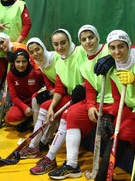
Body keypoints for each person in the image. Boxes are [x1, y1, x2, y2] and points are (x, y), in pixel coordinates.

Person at [41, 25, 111, 177]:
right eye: (84, 39)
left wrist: (111, 57)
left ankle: (55, 158)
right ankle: (70, 164)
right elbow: (91, 87)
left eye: (91, 38)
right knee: (69, 114)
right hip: (97, 100)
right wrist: (91, 105)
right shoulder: (85, 65)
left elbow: (132, 49)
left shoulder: (107, 49)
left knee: (69, 114)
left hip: (116, 102)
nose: (88, 42)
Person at [94, 30, 135, 181]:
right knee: (118, 134)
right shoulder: (113, 69)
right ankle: (101, 178)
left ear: (128, 45)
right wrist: (109, 115)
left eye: (121, 46)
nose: (117, 51)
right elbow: (117, 99)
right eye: (112, 48)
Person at [19, 29, 87, 164]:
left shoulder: (80, 52)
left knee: (65, 115)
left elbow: (90, 75)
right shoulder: (60, 61)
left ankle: (49, 153)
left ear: (69, 40)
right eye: (56, 44)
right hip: (69, 95)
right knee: (44, 106)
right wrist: (51, 106)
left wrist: (83, 85)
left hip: (84, 96)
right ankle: (35, 146)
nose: (60, 47)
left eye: (63, 43)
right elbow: (59, 87)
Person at [5, 49, 45, 131]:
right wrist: (24, 108)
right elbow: (14, 97)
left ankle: (32, 119)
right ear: (14, 62)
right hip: (22, 103)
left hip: (37, 102)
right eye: (18, 62)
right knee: (10, 118)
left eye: (24, 61)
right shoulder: (10, 75)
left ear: (28, 61)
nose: (21, 65)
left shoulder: (36, 73)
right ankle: (27, 119)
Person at [27, 37, 61, 124]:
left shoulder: (55, 57)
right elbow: (48, 81)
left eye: (37, 49)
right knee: (35, 98)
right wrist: (50, 91)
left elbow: (62, 79)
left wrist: (51, 93)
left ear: (43, 48)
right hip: (56, 90)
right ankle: (36, 128)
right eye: (31, 52)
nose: (35, 54)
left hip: (64, 90)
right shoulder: (40, 63)